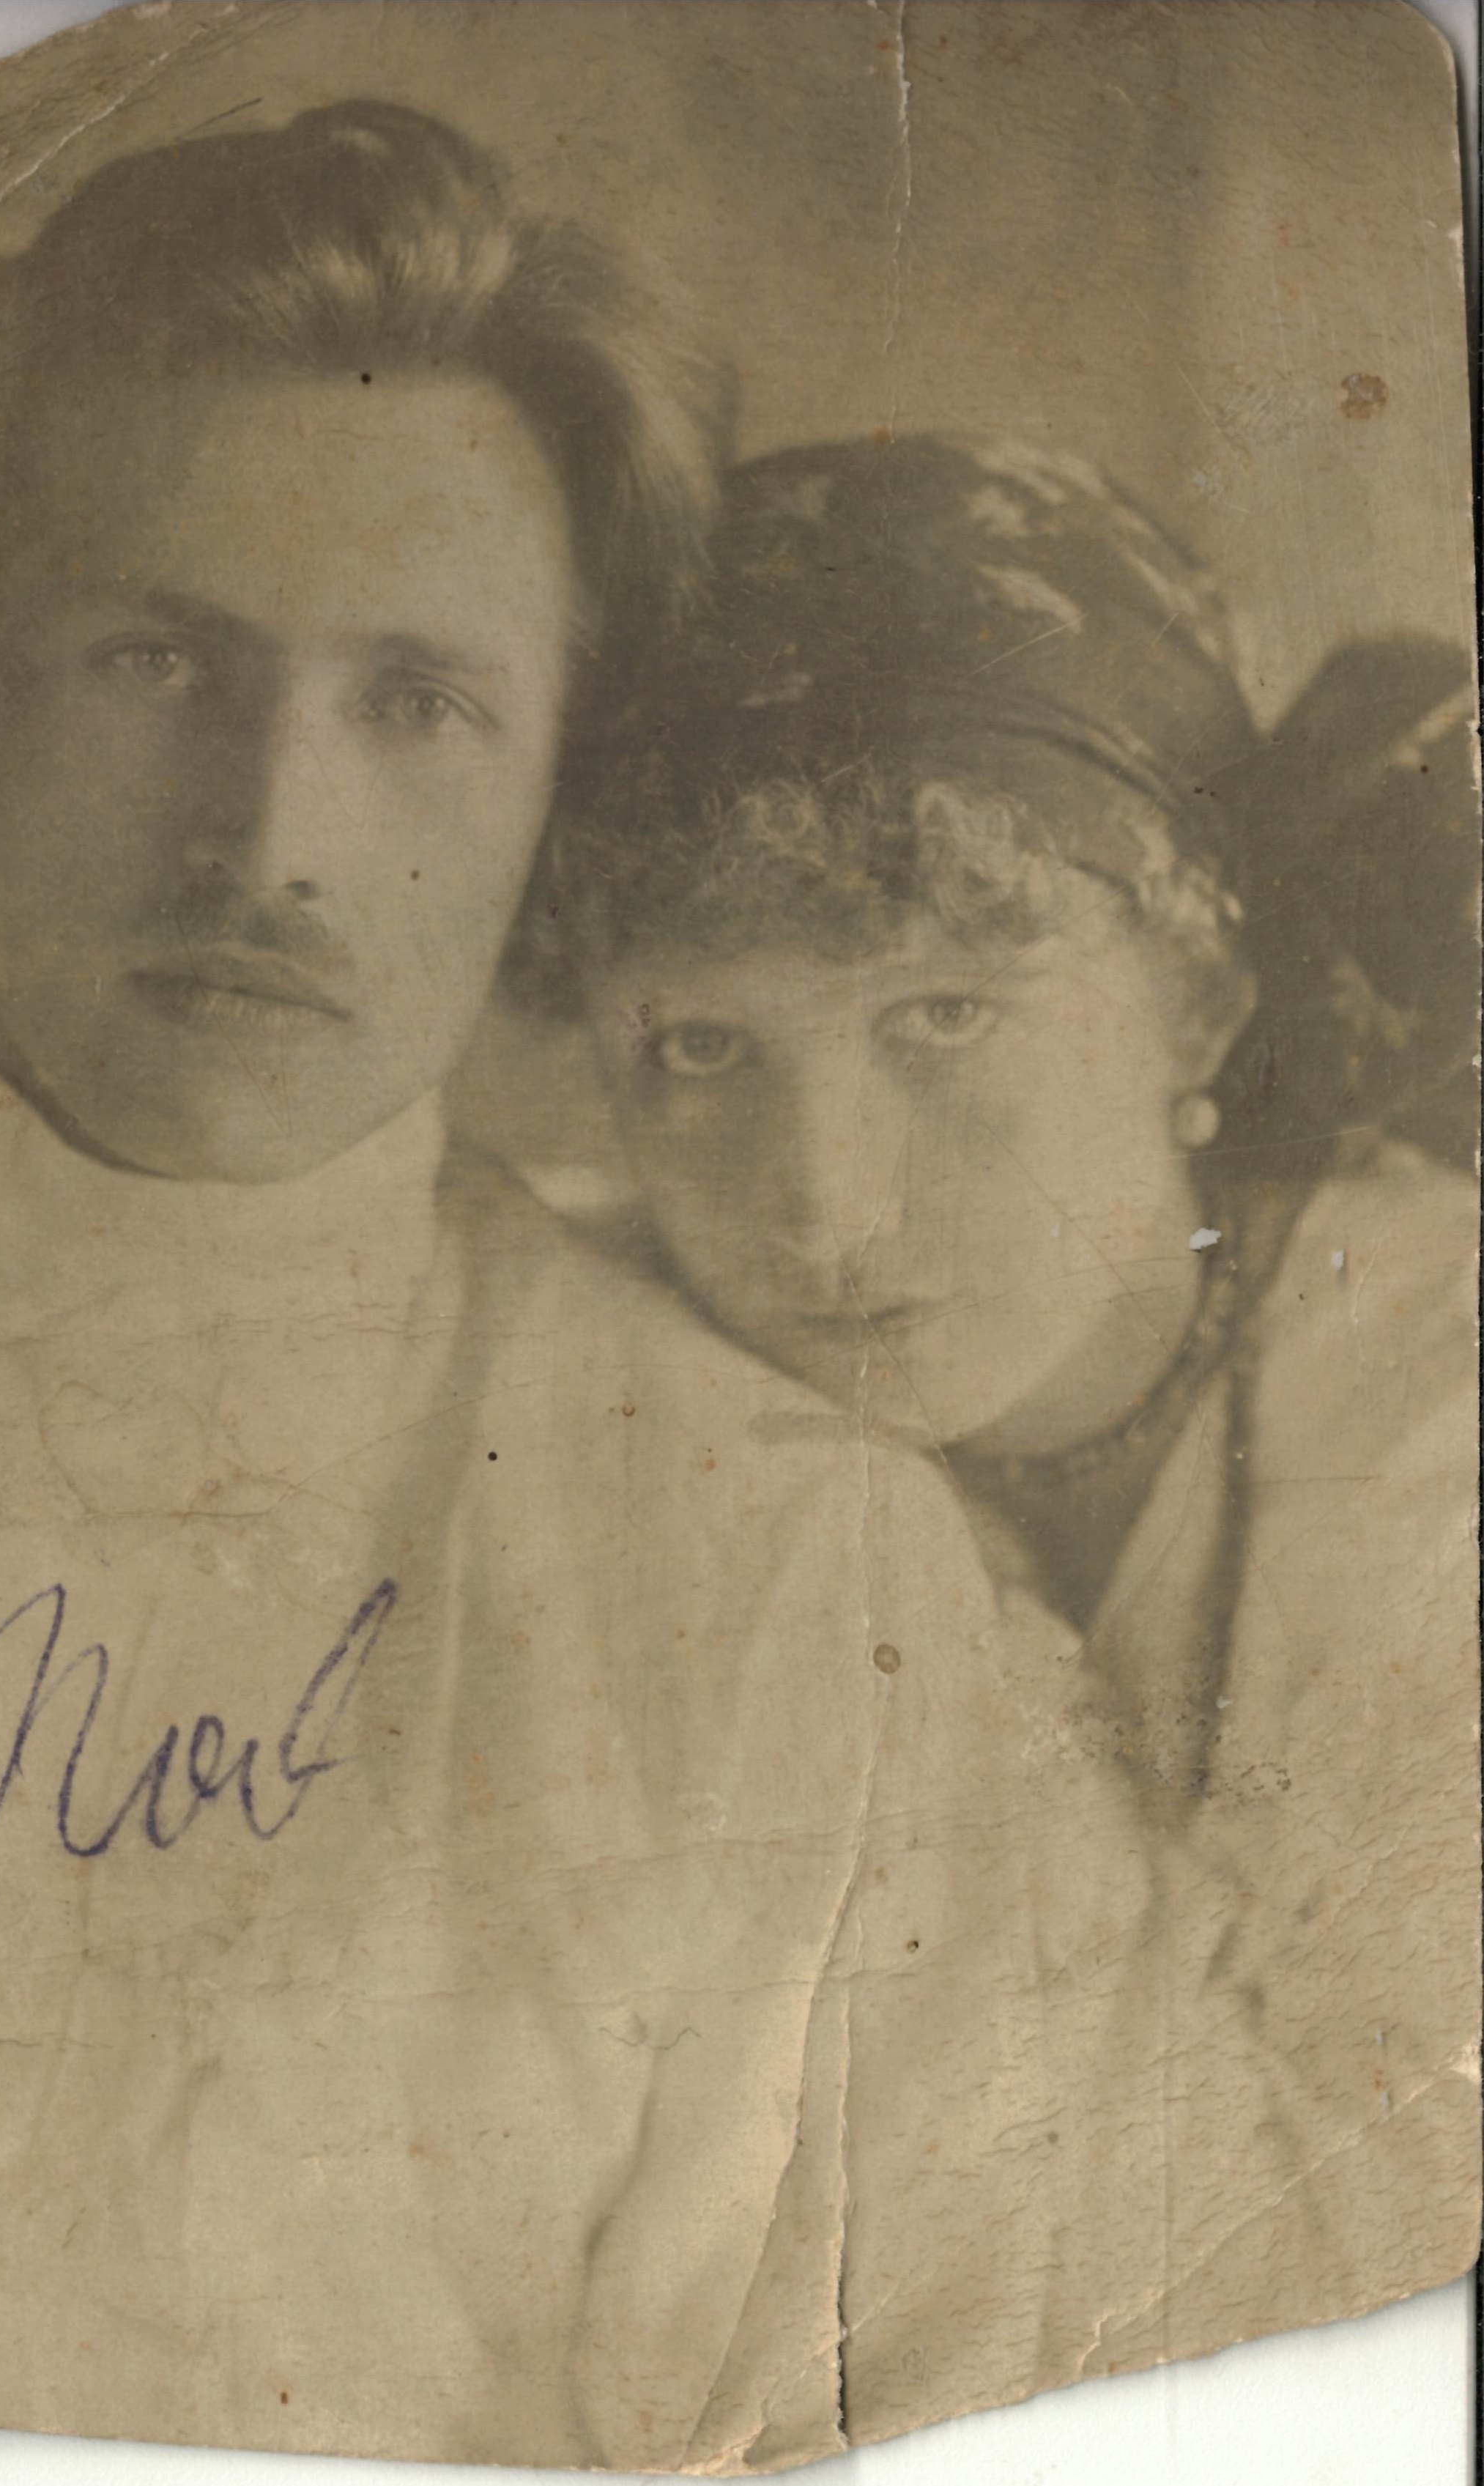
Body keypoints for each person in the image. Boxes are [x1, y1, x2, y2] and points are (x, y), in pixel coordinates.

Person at [0, 123, 1083, 2467]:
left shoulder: (789, 1565)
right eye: (159, 660)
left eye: (417, 700)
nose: (269, 840)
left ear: (552, 777)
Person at [528, 432, 1478, 2438]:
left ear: (1198, 997)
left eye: (942, 1016)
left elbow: (1370, 2249)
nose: (826, 1200)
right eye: (701, 1048)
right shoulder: (588, 1387)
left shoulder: (1441, 1401)